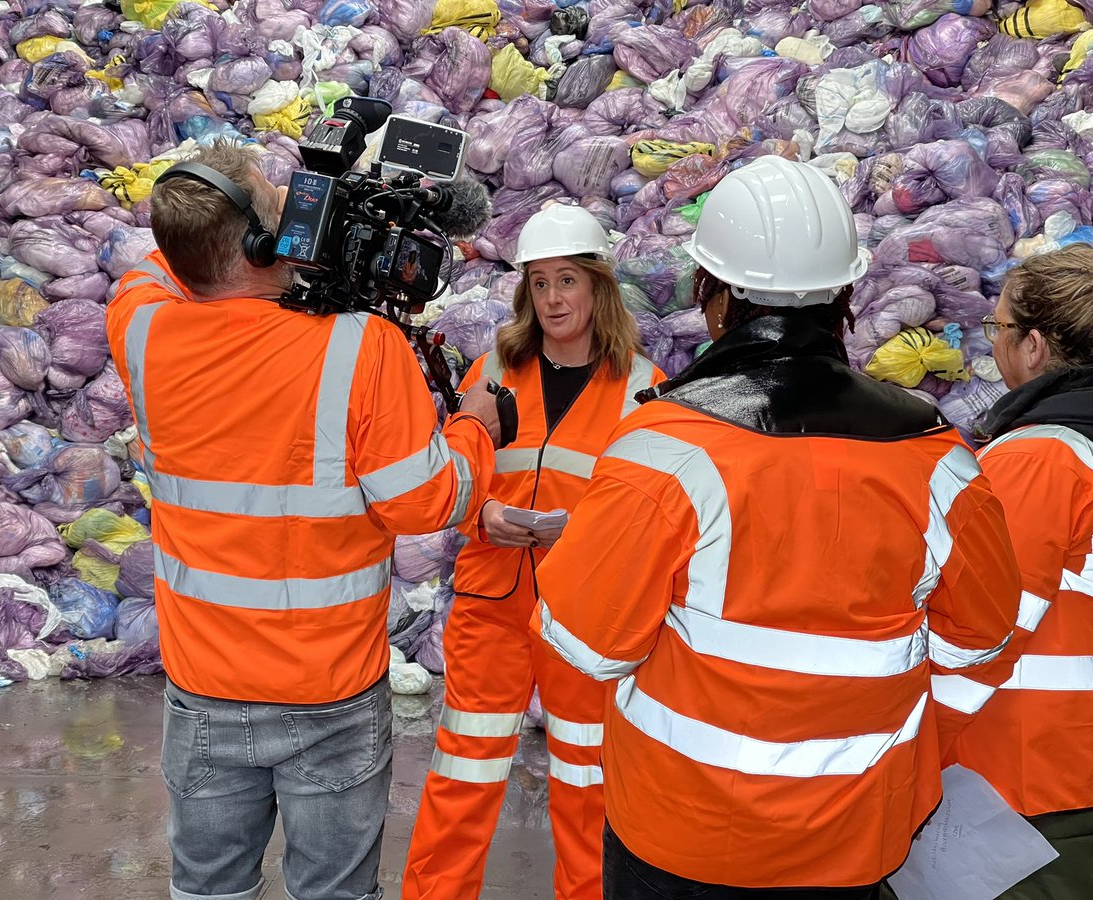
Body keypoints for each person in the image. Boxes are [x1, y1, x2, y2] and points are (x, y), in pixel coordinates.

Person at [530, 156, 1023, 900]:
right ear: (846, 296)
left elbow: (587, 646)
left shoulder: (661, 451)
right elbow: (980, 640)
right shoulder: (937, 459)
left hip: (679, 834)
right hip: (858, 837)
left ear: (711, 293)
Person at [105, 141, 503, 900]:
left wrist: (258, 221)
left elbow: (163, 265)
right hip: (330, 695)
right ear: (262, 241)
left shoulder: (143, 332)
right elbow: (427, 503)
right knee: (335, 892)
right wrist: (475, 426)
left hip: (203, 687)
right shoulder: (363, 348)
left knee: (208, 889)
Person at [401, 204, 665, 900]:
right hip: (492, 602)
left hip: (585, 612)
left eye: (568, 281)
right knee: (464, 773)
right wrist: (485, 512)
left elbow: (652, 511)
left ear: (599, 287)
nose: (552, 299)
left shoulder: (644, 387)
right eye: (540, 283)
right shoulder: (494, 371)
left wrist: (579, 528)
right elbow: (455, 473)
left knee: (587, 785)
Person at [936, 244, 1093, 899]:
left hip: (1024, 797)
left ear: (1033, 348)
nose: (992, 344)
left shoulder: (1038, 461)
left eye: (996, 329)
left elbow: (983, 633)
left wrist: (909, 759)